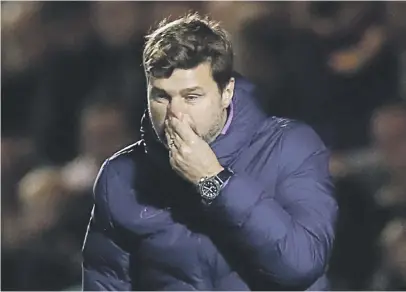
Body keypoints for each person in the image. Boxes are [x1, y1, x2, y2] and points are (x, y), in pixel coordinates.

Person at [82, 13, 338, 291]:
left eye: (192, 97)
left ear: (226, 92)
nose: (175, 114)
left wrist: (213, 180)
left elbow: (301, 266)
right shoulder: (120, 175)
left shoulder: (291, 147)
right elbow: (105, 282)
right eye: (161, 96)